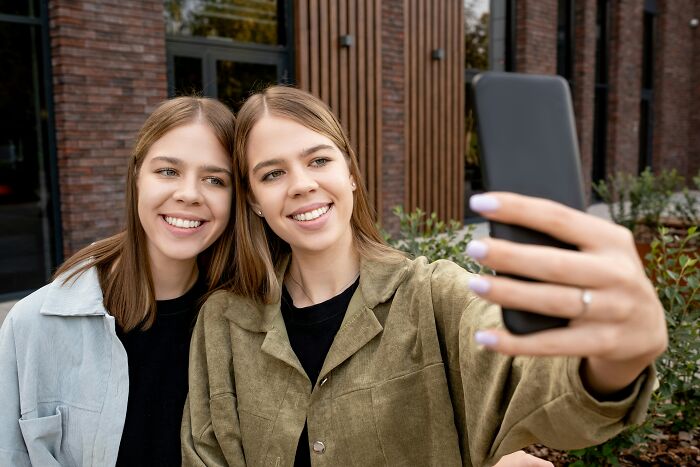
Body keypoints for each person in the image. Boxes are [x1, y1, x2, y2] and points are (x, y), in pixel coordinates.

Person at [181, 86, 666, 466]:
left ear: (349, 171)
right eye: (272, 174)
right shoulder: (224, 322)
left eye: (318, 160)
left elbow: (537, 384)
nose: (302, 184)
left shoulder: (434, 296)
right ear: (253, 203)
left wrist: (613, 360)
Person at [0, 96, 236, 466]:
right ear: (137, 175)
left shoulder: (248, 324)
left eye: (214, 179)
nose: (189, 194)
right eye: (168, 171)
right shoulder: (32, 325)